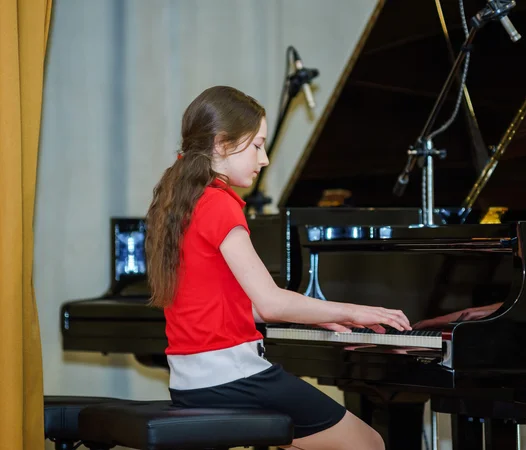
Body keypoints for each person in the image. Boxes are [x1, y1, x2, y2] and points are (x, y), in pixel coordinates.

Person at [144, 86, 412, 450]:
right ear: (222, 144)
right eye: (257, 145)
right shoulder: (221, 205)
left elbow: (239, 304)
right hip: (233, 380)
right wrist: (355, 311)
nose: (265, 158)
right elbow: (271, 304)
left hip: (190, 383)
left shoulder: (183, 201)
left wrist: (316, 316)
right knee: (368, 443)